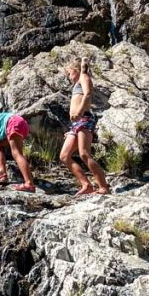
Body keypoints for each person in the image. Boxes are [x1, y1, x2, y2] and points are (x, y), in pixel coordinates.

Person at [59, 57, 110, 195]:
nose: (68, 77)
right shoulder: (78, 81)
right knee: (64, 156)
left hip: (85, 118)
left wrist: (80, 111)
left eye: (69, 73)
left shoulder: (83, 76)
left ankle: (103, 187)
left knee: (84, 153)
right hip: (76, 123)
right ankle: (86, 184)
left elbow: (87, 94)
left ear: (76, 70)